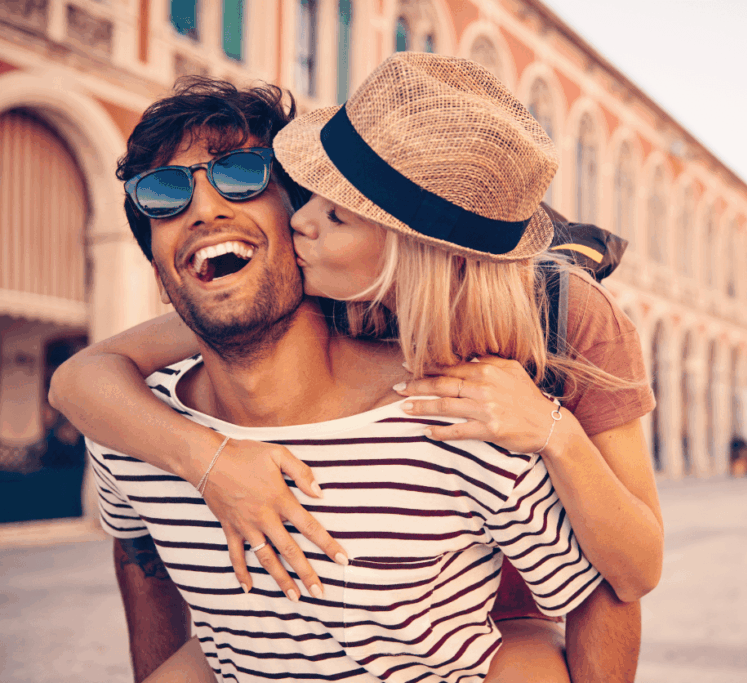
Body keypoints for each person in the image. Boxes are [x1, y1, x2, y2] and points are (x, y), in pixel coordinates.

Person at [51, 54, 660, 682]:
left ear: (400, 246)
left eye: (335, 211)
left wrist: (552, 430)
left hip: (507, 610)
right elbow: (81, 379)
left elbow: (627, 575)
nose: (302, 222)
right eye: (311, 195)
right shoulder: (315, 290)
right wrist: (209, 460)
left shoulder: (565, 318)